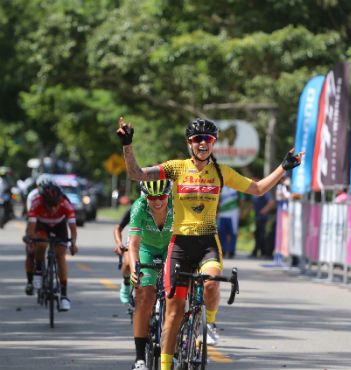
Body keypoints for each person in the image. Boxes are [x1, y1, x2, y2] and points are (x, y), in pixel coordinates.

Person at [116, 117, 304, 370]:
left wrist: (283, 168)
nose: (202, 143)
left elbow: (258, 189)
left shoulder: (221, 172)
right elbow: (136, 174)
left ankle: (211, 323)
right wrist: (127, 144)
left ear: (213, 143)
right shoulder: (176, 168)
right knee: (173, 313)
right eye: (197, 139)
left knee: (213, 284)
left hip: (207, 243)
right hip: (180, 245)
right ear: (190, 143)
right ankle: (164, 365)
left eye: (208, 139)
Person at [127, 179, 173, 370]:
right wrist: (133, 269)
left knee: (177, 294)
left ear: (168, 194)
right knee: (145, 296)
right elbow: (134, 244)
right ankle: (139, 359)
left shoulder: (177, 204)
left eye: (161, 196)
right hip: (146, 248)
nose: (157, 201)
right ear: (145, 196)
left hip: (171, 247)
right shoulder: (139, 207)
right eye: (152, 197)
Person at [24, 181, 78, 311]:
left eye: (56, 204)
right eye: (49, 205)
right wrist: (31, 241)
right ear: (43, 201)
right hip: (42, 225)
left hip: (60, 226)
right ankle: (38, 269)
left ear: (60, 201)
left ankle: (64, 296)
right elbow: (31, 227)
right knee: (41, 243)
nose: (53, 208)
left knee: (60, 255)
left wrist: (73, 244)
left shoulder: (66, 204)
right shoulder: (36, 203)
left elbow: (72, 228)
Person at [248, 180, 276, 259]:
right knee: (258, 234)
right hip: (257, 217)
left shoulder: (263, 190)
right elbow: (253, 204)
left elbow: (271, 202)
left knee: (262, 235)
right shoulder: (252, 192)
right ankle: (257, 252)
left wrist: (265, 209)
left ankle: (262, 252)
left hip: (264, 217)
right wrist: (246, 212)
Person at [217, 185, 246, 258]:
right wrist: (216, 212)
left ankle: (231, 251)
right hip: (222, 213)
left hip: (233, 213)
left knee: (233, 232)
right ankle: (222, 250)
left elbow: (241, 200)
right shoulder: (221, 186)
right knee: (221, 233)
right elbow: (217, 200)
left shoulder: (237, 187)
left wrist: (242, 212)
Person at [114, 206, 132, 304]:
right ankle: (126, 281)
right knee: (128, 264)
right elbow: (118, 228)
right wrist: (119, 244)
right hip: (136, 239)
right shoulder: (136, 207)